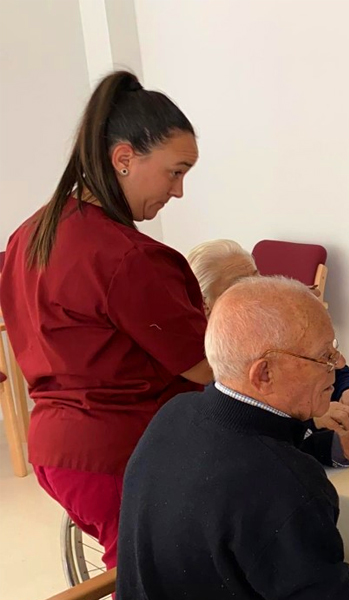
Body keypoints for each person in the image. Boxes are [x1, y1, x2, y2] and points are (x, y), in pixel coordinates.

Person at [0, 71, 210, 569]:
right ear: (123, 159)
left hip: (54, 450)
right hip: (120, 452)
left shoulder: (29, 235)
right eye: (174, 172)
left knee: (135, 573)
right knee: (153, 579)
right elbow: (206, 367)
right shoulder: (128, 258)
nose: (178, 192)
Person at [117, 277, 349, 600]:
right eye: (324, 357)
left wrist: (332, 447)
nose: (338, 365)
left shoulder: (174, 415)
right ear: (264, 374)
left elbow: (243, 453)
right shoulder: (286, 487)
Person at [187, 239, 349, 431]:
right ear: (204, 304)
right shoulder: (199, 360)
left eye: (257, 277)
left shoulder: (271, 319)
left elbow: (324, 361)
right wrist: (309, 420)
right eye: (240, 284)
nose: (256, 289)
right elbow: (245, 426)